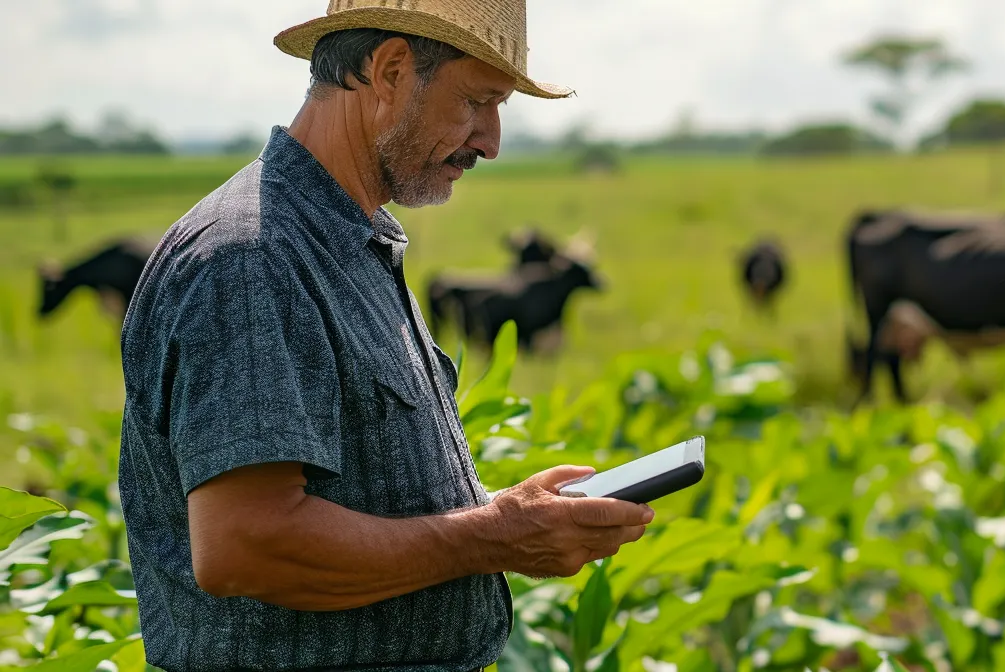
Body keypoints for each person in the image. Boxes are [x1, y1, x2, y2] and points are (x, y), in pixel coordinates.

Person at [116, 2, 652, 669]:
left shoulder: (348, 240)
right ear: (392, 71)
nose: (490, 141)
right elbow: (246, 545)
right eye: (477, 101)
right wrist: (493, 537)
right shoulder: (253, 257)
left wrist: (509, 518)